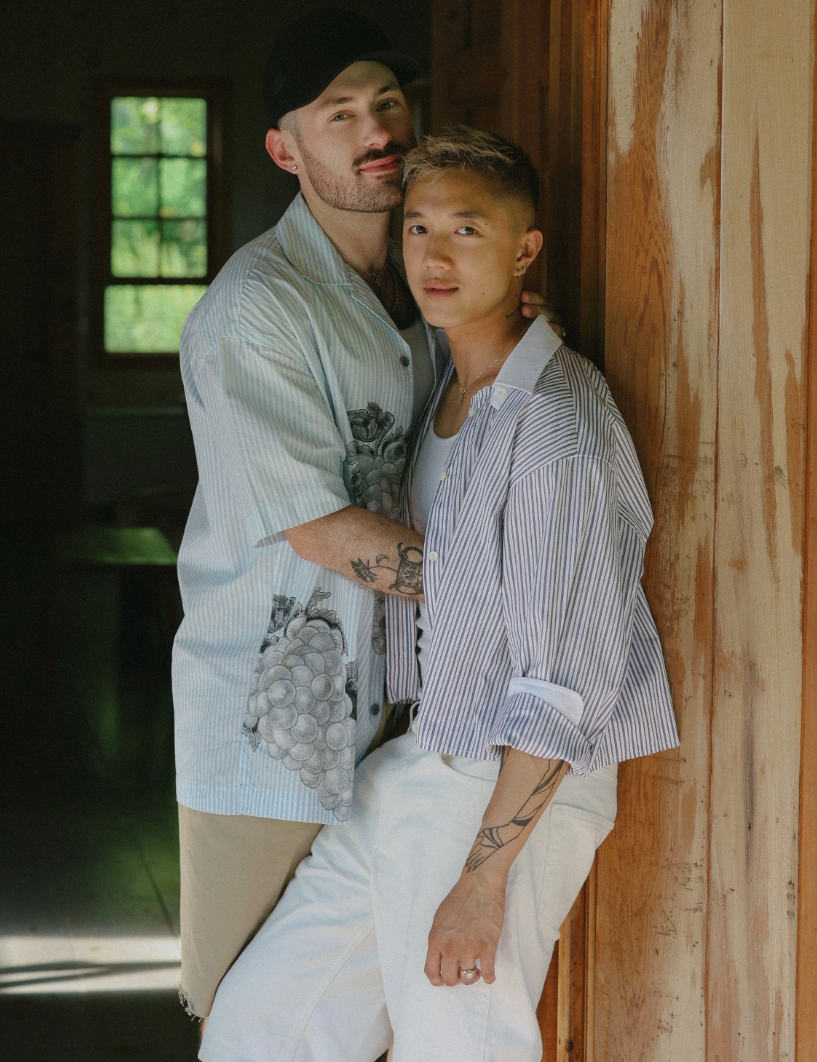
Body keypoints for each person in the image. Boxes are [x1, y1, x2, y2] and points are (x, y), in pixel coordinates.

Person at [200, 128, 680, 1062]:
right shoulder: (453, 391)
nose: (435, 254)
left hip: (504, 782)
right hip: (420, 761)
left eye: (467, 229)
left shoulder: (554, 429)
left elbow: (560, 687)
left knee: (459, 1046)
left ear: (523, 248)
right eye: (418, 228)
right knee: (261, 1031)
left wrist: (483, 879)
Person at [173, 13, 546, 1024]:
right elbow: (323, 530)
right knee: (254, 1010)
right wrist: (523, 598)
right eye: (337, 114)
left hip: (403, 708)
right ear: (285, 150)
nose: (375, 128)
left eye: (386, 101)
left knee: (377, 1000)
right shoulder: (256, 308)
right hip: (272, 731)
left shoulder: (424, 283)